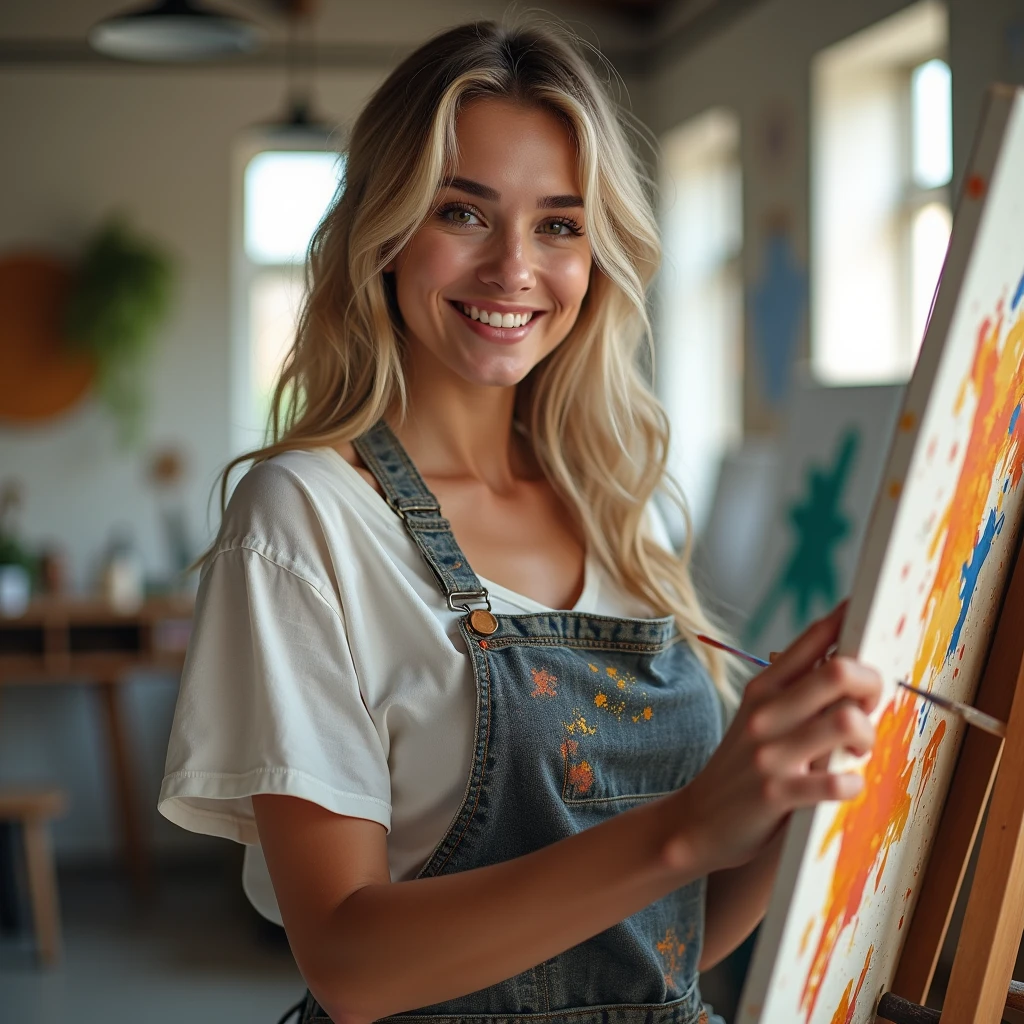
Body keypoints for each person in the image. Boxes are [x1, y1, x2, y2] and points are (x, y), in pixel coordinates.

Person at [158, 19, 882, 1024]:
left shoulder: (613, 506)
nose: (513, 268)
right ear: (385, 229)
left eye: (558, 223)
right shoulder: (305, 515)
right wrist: (684, 828)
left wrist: (778, 807)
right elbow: (350, 966)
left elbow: (661, 941)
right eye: (463, 211)